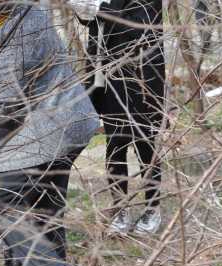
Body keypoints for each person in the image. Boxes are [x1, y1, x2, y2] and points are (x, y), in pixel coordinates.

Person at [0, 3, 98, 266]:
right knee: (43, 204)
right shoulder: (4, 17)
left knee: (0, 198)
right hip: (49, 124)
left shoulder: (25, 18)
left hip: (52, 124)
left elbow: (4, 100)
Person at [70, 0, 166, 235]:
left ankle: (153, 208)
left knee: (145, 143)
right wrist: (82, 9)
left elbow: (138, 26)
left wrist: (99, 8)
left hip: (140, 75)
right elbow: (94, 23)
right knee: (115, 143)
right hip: (106, 75)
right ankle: (119, 209)